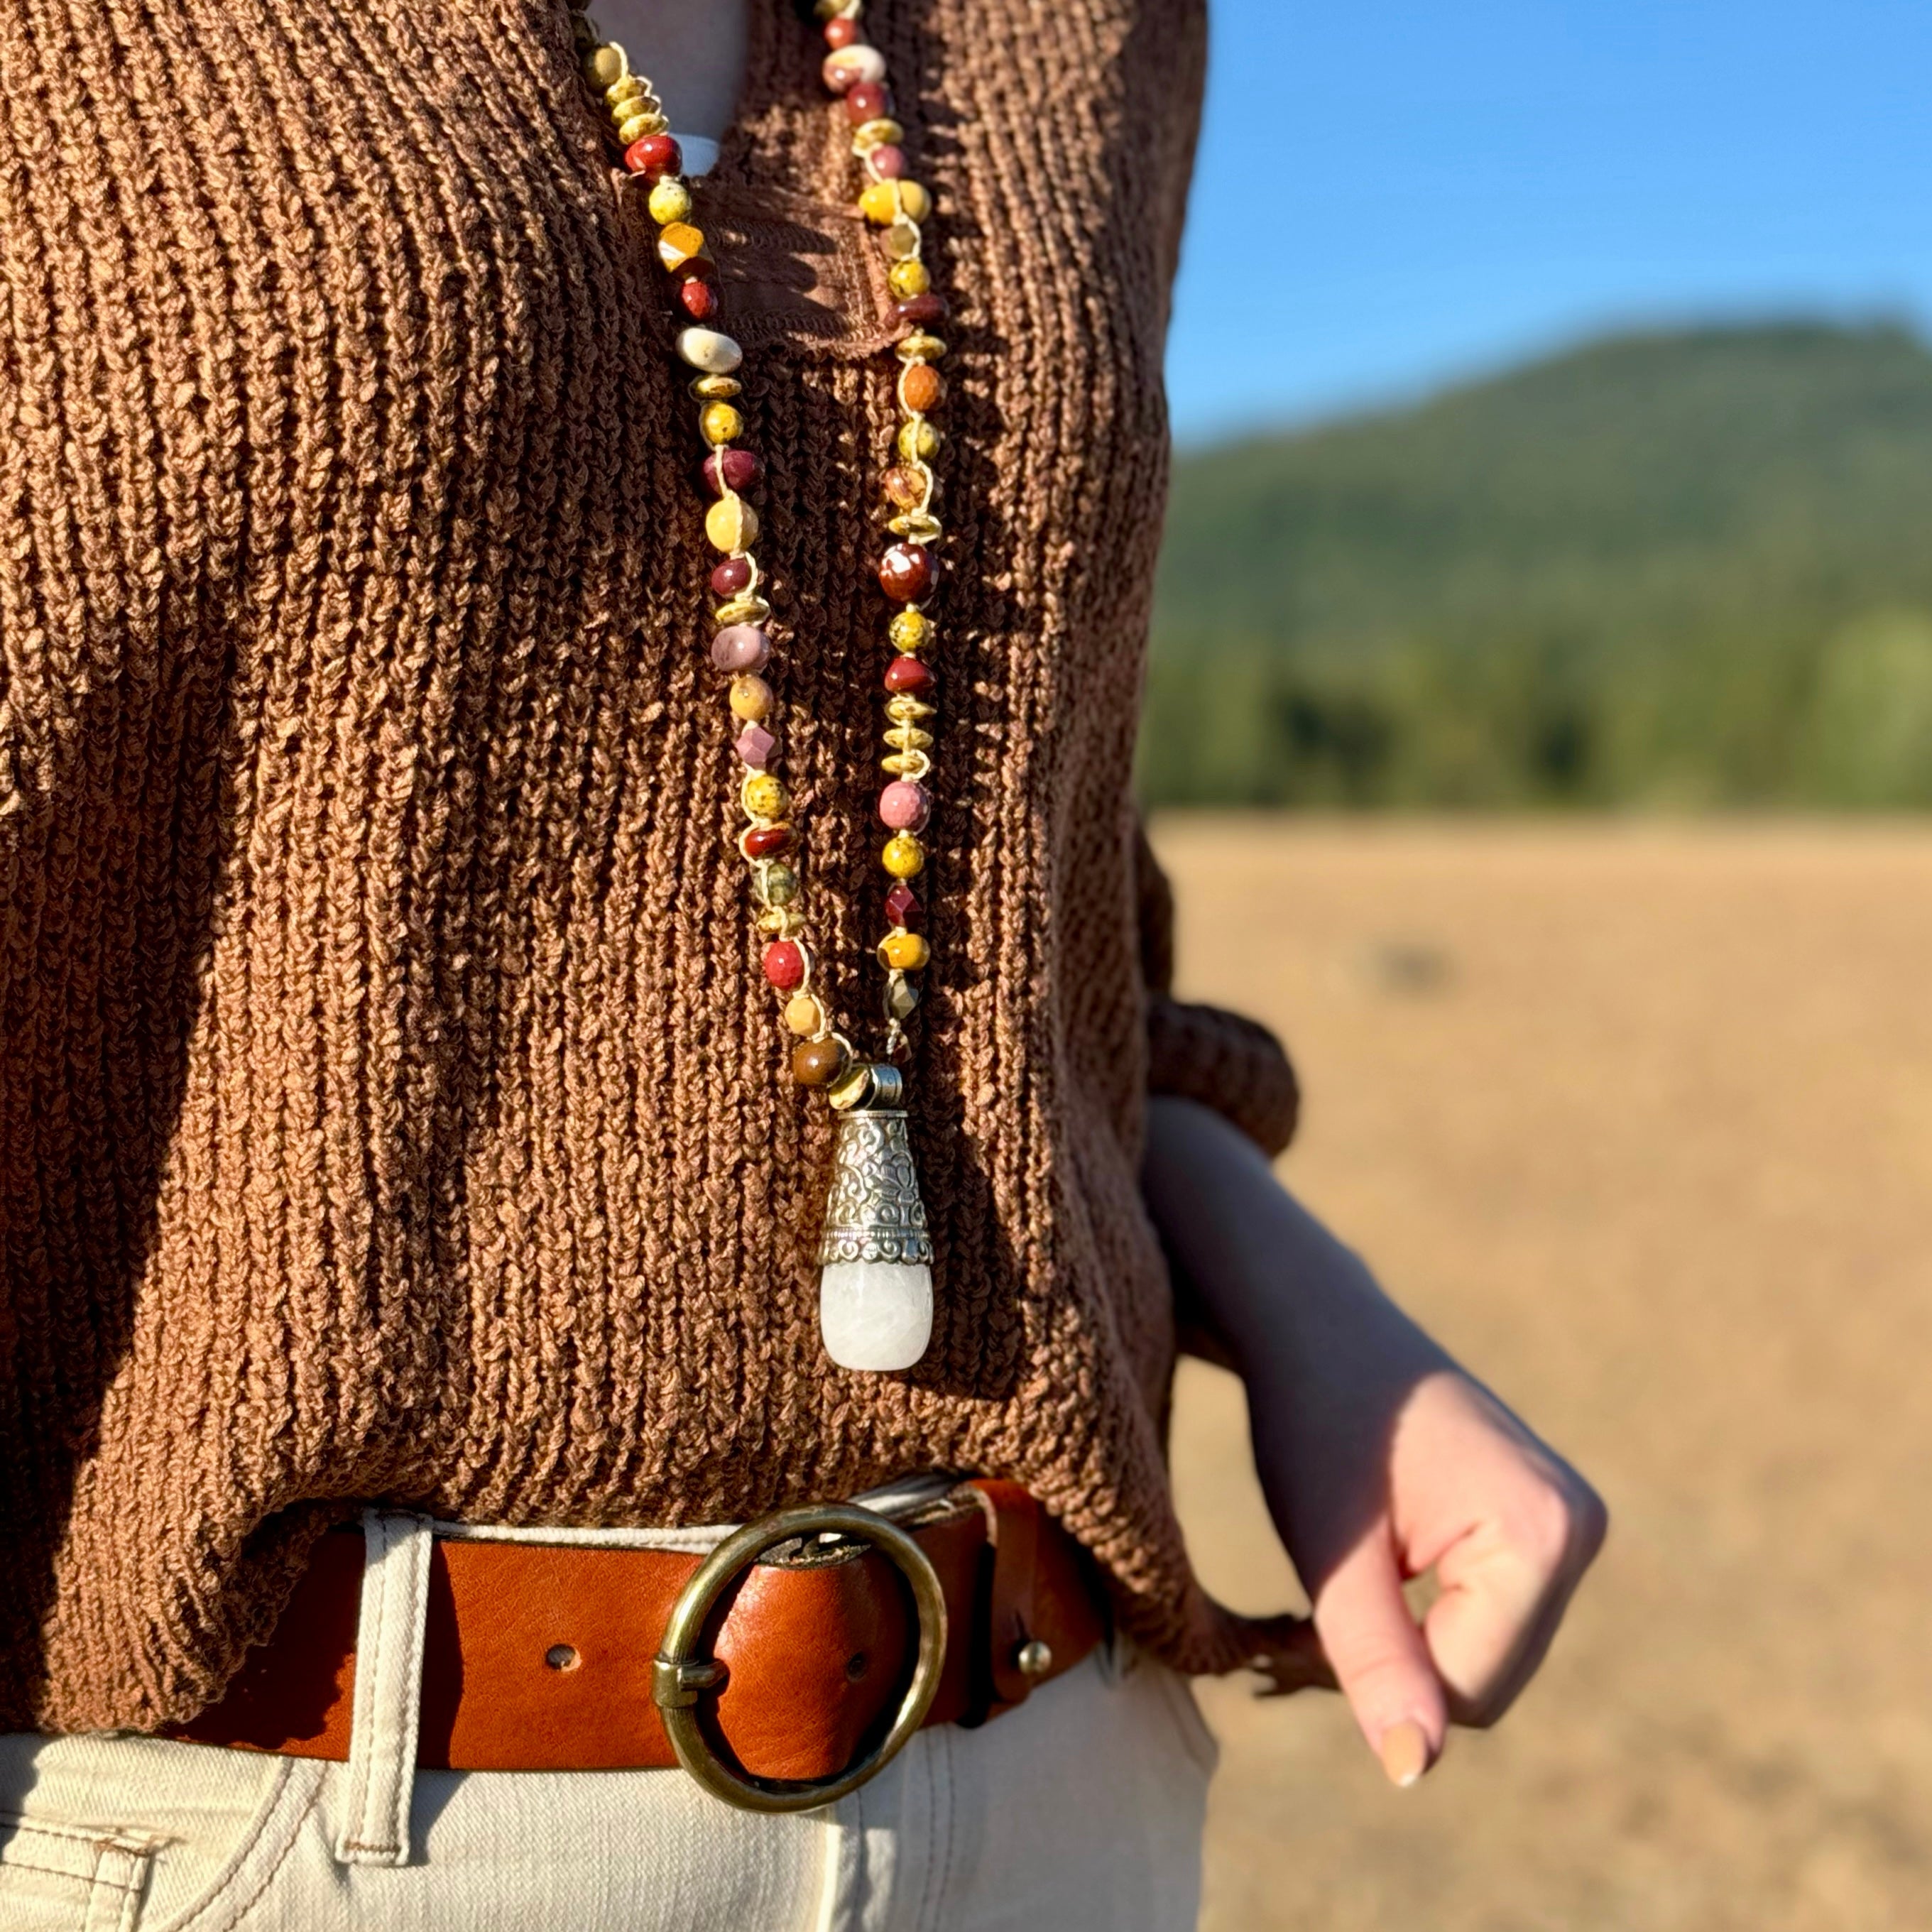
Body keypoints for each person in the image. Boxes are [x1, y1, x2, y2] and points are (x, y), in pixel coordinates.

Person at [0, 0, 1602, 1926]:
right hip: (287, 1821)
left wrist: (1291, 1292)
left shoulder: (1091, 32)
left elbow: (1038, 857)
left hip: (1055, 1778)